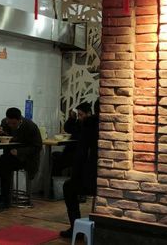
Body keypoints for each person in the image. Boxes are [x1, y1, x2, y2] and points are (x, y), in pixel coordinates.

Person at [60, 101, 99, 239]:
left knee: (68, 187)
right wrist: (72, 118)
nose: (80, 117)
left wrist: (76, 175)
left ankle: (76, 229)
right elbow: (69, 128)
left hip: (93, 178)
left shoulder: (90, 124)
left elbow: (81, 154)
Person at [0, 107, 43, 210]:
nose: (11, 125)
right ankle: (2, 197)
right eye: (9, 123)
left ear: (20, 120)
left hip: (27, 159)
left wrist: (20, 152)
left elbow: (38, 147)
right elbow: (2, 138)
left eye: (14, 124)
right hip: (9, 156)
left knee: (3, 164)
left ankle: (3, 198)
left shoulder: (30, 126)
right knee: (4, 163)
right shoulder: (5, 122)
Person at [51, 107, 80, 177]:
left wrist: (72, 118)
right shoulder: (77, 122)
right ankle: (57, 181)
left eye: (80, 114)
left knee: (57, 161)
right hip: (71, 152)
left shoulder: (82, 124)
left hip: (75, 154)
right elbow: (67, 128)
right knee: (55, 155)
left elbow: (69, 129)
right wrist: (72, 118)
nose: (79, 116)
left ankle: (56, 181)